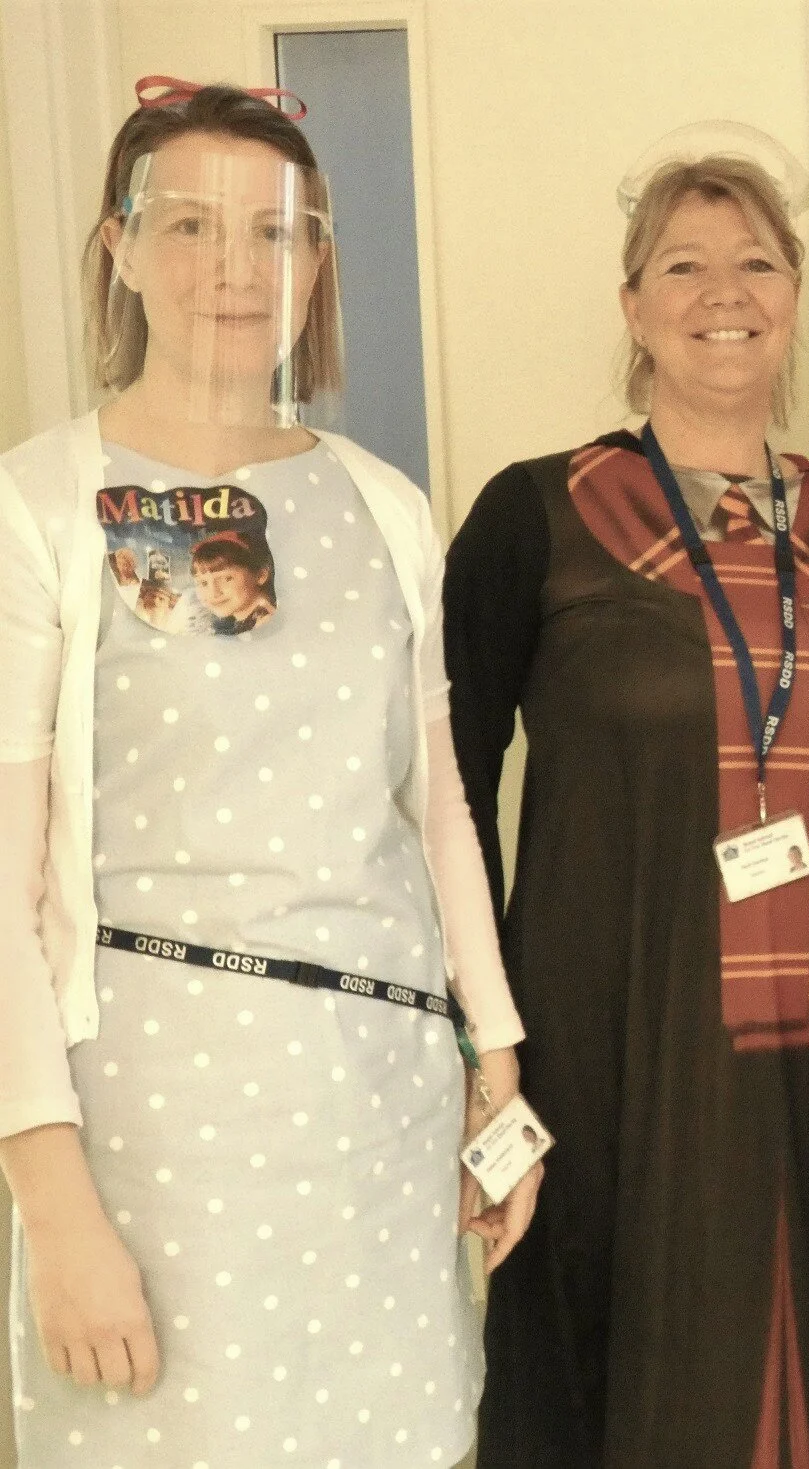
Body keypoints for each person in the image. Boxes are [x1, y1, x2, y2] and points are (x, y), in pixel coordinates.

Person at [0, 81, 537, 1468]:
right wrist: (51, 1198)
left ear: (318, 262)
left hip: (384, 1105)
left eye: (277, 232)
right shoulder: (40, 505)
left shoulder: (382, 504)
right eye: (189, 225)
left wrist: (497, 1065)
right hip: (155, 1137)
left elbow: (438, 815)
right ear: (118, 246)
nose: (236, 269)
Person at [443, 131, 809, 1466]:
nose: (723, 291)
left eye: (755, 261)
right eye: (683, 263)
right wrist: (472, 1037)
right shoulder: (533, 516)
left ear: (791, 297)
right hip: (607, 1016)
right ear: (633, 306)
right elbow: (437, 790)